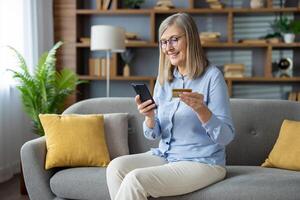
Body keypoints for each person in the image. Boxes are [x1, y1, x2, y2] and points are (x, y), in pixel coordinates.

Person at [106, 12, 235, 200]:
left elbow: (226, 136)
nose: (168, 48)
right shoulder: (165, 79)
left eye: (174, 40)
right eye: (164, 42)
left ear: (190, 39)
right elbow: (155, 133)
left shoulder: (212, 77)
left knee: (136, 180)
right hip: (167, 155)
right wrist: (149, 117)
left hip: (204, 162)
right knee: (115, 168)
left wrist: (202, 111)